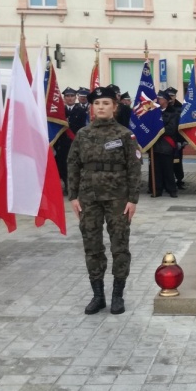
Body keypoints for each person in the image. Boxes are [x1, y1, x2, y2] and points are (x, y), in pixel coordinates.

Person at [67, 86, 142, 315]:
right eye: (97, 104)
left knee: (119, 246)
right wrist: (73, 196)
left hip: (118, 198)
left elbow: (134, 168)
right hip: (89, 198)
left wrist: (133, 199)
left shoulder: (124, 135)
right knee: (92, 246)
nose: (101, 107)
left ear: (114, 107)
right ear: (92, 107)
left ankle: (117, 295)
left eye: (106, 103)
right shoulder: (83, 134)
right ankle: (98, 295)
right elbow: (72, 165)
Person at [55, 87, 88, 195]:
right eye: (67, 96)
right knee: (63, 165)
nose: (70, 98)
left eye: (72, 96)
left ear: (76, 98)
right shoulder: (60, 111)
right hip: (63, 144)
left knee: (77, 165)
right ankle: (67, 185)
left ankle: (75, 187)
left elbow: (83, 127)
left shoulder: (81, 111)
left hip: (76, 142)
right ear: (64, 98)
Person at [149, 91, 179, 198]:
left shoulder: (173, 113)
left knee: (168, 169)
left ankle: (172, 190)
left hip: (167, 145)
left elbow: (171, 129)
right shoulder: (154, 112)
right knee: (156, 170)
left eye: (160, 98)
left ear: (166, 100)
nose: (158, 100)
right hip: (155, 145)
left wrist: (159, 130)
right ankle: (157, 190)